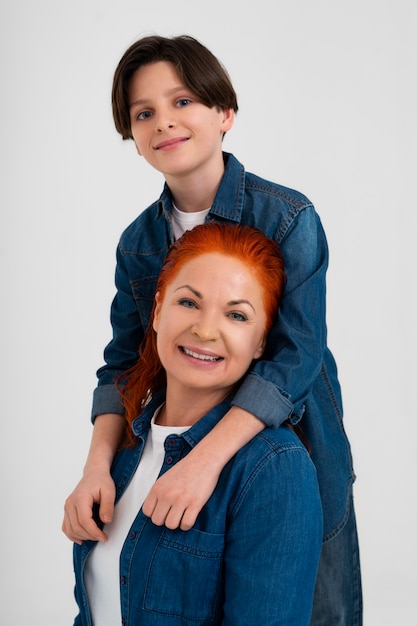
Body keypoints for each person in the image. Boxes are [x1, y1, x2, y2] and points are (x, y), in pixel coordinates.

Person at [63, 35, 362, 625]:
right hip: (175, 438)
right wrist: (97, 464)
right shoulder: (138, 242)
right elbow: (123, 362)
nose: (163, 123)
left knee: (311, 604)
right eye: (143, 113)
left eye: (182, 103)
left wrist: (203, 462)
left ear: (224, 113)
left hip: (291, 446)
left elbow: (294, 362)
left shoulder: (289, 217)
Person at [72, 222, 323, 625]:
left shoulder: (274, 469)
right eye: (188, 303)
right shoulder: (123, 447)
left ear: (261, 342)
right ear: (157, 311)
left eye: (237, 315)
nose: (205, 330)